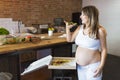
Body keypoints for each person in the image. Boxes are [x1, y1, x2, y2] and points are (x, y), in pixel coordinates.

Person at [65, 5, 107, 80]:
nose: (80, 17)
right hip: (80, 67)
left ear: (90, 16)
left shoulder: (100, 30)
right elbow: (70, 40)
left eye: (83, 14)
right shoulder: (80, 28)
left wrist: (101, 66)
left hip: (93, 67)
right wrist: (67, 29)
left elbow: (104, 49)